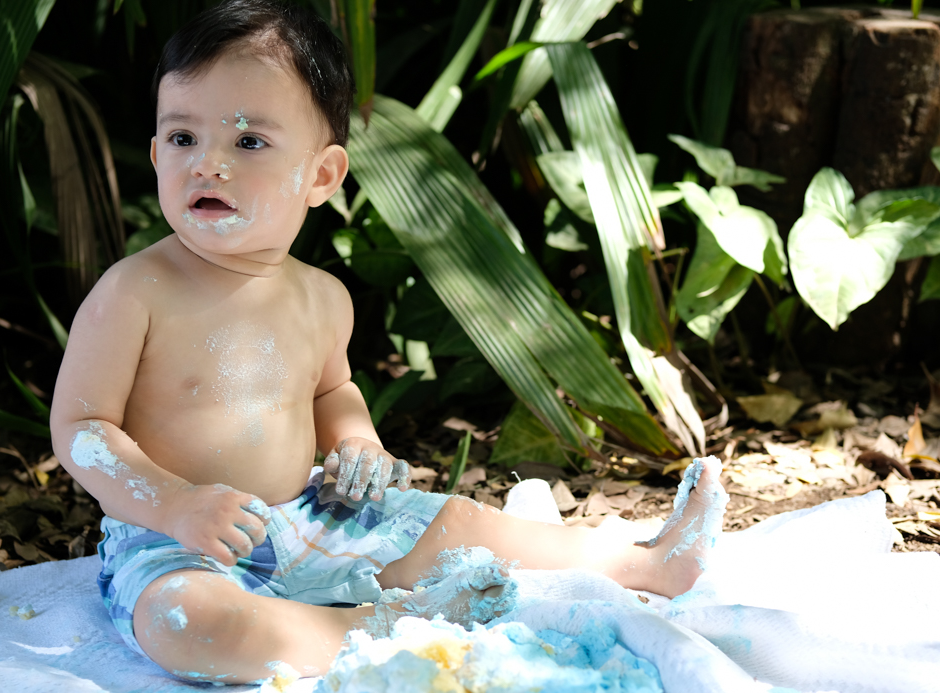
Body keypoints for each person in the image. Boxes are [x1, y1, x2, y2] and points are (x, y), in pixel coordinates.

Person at [50, 0, 724, 684]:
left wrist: (359, 443)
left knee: (458, 521)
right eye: (182, 137)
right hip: (178, 539)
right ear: (157, 151)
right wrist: (173, 504)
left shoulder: (322, 297)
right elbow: (82, 426)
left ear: (320, 175)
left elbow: (331, 391)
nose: (207, 164)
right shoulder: (134, 291)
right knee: (186, 620)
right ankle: (389, 623)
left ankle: (645, 562)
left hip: (311, 517)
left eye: (248, 142)